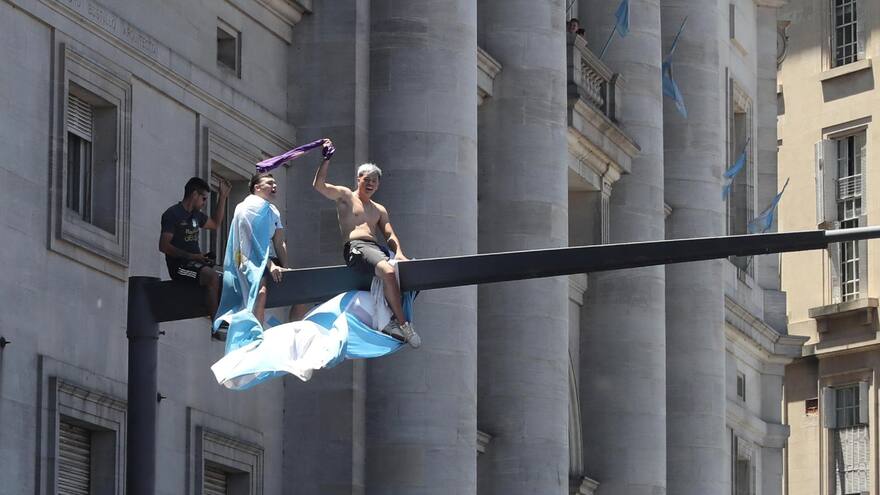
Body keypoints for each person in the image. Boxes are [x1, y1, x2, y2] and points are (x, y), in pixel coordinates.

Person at [312, 140, 421, 348]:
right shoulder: (345, 196)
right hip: (356, 248)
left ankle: (389, 319)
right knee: (388, 273)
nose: (371, 184)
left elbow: (389, 234)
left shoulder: (379, 209)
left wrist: (399, 252)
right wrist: (326, 159)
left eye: (375, 181)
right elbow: (319, 186)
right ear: (358, 179)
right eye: (367, 179)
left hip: (375, 249)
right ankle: (403, 324)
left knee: (406, 273)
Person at [160, 177, 230, 317]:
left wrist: (222, 197)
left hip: (196, 264)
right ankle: (216, 322)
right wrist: (191, 256)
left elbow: (215, 224)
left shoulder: (196, 215)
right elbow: (164, 246)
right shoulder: (172, 214)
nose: (204, 203)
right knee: (212, 277)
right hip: (179, 269)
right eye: (203, 198)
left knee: (227, 280)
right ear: (194, 194)